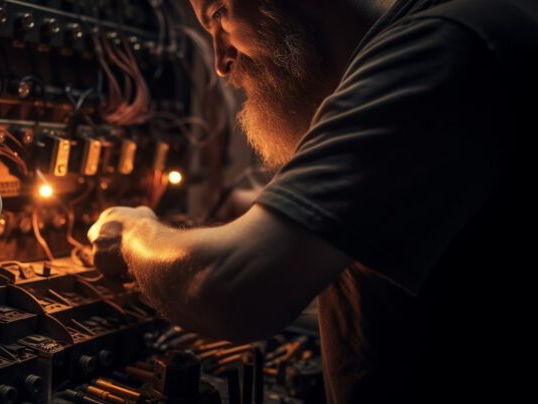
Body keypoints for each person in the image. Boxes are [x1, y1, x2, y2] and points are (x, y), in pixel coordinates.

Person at [89, 0, 538, 402]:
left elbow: (231, 287)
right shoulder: (446, 36)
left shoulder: (441, 45)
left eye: (218, 15)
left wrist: (133, 230)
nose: (220, 64)